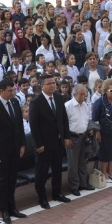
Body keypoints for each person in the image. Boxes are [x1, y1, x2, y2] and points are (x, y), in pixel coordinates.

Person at [0, 77, 27, 223]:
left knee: (12, 179)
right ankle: (4, 210)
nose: (12, 93)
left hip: (15, 148)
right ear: (1, 91)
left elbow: (19, 125)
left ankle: (12, 206)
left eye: (13, 90)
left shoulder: (14, 102)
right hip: (1, 151)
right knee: (3, 180)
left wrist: (22, 144)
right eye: (9, 91)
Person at [28, 73, 71, 209]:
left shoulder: (58, 98)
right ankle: (42, 197)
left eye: (54, 83)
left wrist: (66, 136)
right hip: (44, 144)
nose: (53, 86)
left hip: (58, 141)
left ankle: (57, 193)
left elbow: (63, 119)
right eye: (49, 84)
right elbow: (34, 126)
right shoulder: (36, 102)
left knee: (57, 169)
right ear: (42, 86)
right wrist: (39, 144)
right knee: (42, 172)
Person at [64, 84, 97, 196]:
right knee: (73, 163)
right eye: (82, 94)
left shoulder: (85, 106)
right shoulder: (68, 106)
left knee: (83, 161)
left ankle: (83, 183)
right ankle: (74, 186)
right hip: (73, 137)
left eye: (85, 94)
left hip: (84, 136)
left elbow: (87, 119)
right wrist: (66, 137)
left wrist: (90, 129)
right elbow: (64, 124)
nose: (84, 96)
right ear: (75, 94)